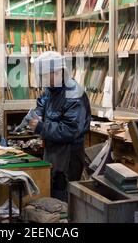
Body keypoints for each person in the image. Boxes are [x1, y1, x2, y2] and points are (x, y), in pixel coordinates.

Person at [27, 51, 91, 202]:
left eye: (44, 76)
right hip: (52, 150)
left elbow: (70, 130)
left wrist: (42, 127)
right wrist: (37, 115)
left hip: (68, 155)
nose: (42, 80)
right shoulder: (52, 90)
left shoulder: (74, 94)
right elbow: (42, 104)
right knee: (51, 192)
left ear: (57, 72)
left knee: (63, 198)